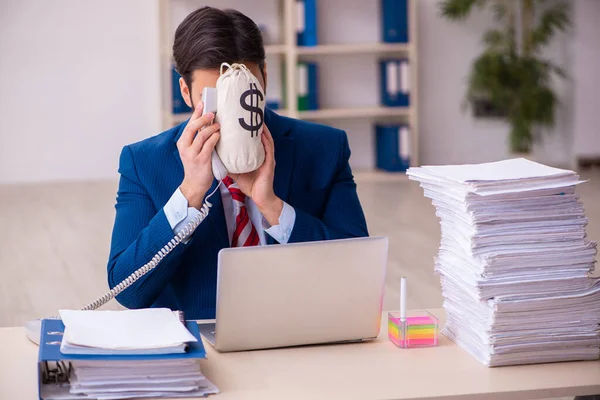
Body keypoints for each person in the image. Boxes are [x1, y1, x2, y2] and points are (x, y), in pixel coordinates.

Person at [106, 6, 369, 319]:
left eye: (244, 94)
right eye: (216, 100)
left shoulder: (324, 148)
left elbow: (359, 270)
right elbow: (127, 291)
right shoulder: (144, 162)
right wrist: (189, 194)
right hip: (201, 345)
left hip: (299, 333)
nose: (230, 114)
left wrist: (273, 207)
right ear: (186, 92)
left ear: (265, 79)